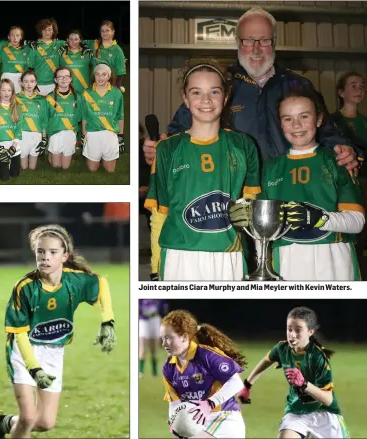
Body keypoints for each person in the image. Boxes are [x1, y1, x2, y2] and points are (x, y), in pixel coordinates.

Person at [142, 7, 358, 171]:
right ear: (238, 42)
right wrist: (160, 147)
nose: (256, 49)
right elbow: (180, 130)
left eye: (263, 40)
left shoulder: (298, 84)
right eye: (248, 40)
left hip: (293, 187)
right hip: (238, 192)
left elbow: (326, 131)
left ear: (274, 42)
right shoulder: (220, 85)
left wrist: (344, 149)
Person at [0, 224, 116, 439]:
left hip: (55, 352)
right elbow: (19, 333)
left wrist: (107, 322)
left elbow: (101, 283)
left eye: (52, 252)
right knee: (29, 418)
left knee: (45, 423)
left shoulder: (74, 280)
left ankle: (5, 423)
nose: (45, 258)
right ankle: (16, 422)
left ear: (64, 256)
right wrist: (34, 368)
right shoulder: (25, 287)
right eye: (40, 252)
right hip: (23, 352)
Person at [231, 88, 364, 280]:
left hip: (335, 259)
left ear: (318, 119)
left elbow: (357, 222)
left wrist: (321, 219)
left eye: (304, 116)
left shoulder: (339, 161)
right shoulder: (269, 169)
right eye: (287, 119)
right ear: (280, 124)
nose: (296, 125)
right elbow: (263, 231)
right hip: (286, 259)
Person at [145, 62, 260, 281]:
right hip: (179, 256)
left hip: (229, 254)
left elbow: (252, 204)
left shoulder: (243, 145)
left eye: (214, 92)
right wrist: (154, 268)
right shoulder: (167, 149)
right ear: (185, 99)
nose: (206, 100)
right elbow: (160, 215)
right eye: (196, 92)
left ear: (225, 98)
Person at [239, 307, 350, 438]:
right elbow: (266, 360)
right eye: (289, 329)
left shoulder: (317, 357)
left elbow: (327, 399)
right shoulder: (282, 348)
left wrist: (304, 384)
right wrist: (247, 384)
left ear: (310, 331)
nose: (292, 334)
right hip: (296, 412)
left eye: (298, 330)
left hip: (324, 414)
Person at [160, 310, 247, 439]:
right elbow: (175, 402)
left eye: (168, 338)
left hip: (224, 418)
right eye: (162, 338)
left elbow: (236, 383)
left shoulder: (207, 355)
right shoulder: (169, 367)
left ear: (184, 336)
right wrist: (174, 420)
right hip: (195, 420)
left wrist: (209, 404)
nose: (164, 344)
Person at [332, 72, 367, 276]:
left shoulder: (364, 121)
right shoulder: (332, 122)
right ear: (341, 92)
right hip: (347, 186)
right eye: (353, 85)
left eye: (362, 86)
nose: (359, 90)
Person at [80, 63, 124, 173]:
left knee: (110, 171)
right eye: (97, 74)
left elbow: (120, 116)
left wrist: (121, 137)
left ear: (109, 76)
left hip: (110, 133)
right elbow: (84, 116)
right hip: (93, 132)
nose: (100, 78)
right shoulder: (86, 93)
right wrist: (84, 135)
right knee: (92, 170)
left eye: (104, 74)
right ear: (94, 75)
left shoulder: (116, 93)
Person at [0, 78, 22, 181]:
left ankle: (10, 159)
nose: (6, 93)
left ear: (13, 92)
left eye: (9, 90)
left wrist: (13, 148)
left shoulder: (17, 108)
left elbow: (19, 129)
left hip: (13, 144)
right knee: (4, 177)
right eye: (3, 90)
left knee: (15, 174)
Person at [46, 67, 80, 170]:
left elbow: (79, 118)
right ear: (55, 80)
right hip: (55, 133)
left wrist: (76, 135)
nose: (63, 79)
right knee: (56, 166)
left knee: (65, 167)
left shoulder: (78, 97)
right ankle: (50, 153)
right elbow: (46, 118)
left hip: (70, 133)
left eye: (66, 76)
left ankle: (69, 153)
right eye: (60, 77)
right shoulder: (49, 98)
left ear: (70, 79)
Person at [16, 70, 47, 170]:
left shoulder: (41, 99)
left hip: (36, 134)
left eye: (32, 81)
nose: (29, 84)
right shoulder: (16, 98)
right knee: (24, 168)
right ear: (21, 83)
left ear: (36, 83)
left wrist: (44, 137)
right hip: (22, 134)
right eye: (26, 81)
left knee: (32, 168)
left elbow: (44, 119)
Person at [27, 18, 65, 96]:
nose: (47, 32)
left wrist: (83, 45)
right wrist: (32, 84)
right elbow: (30, 68)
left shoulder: (59, 44)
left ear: (54, 30)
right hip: (39, 84)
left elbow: (75, 42)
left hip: (55, 83)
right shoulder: (34, 46)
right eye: (44, 30)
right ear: (40, 31)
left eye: (49, 29)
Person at [85, 21, 126, 91]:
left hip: (109, 87)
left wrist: (117, 89)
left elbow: (120, 73)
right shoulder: (94, 44)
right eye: (102, 31)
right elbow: (77, 42)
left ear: (113, 32)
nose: (104, 33)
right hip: (93, 86)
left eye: (107, 30)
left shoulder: (117, 50)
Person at [59, 30, 94, 94]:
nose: (74, 42)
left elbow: (94, 67)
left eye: (76, 39)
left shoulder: (87, 53)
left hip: (84, 89)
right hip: (67, 89)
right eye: (71, 39)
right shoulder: (61, 53)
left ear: (80, 40)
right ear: (67, 40)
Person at [0, 26, 31, 94]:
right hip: (7, 76)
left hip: (21, 77)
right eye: (12, 35)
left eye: (17, 35)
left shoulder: (27, 49)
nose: (15, 38)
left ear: (21, 37)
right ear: (8, 37)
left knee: (20, 101)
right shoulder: (3, 48)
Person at [139, 299, 164, 378]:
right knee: (142, 347)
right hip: (143, 320)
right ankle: (140, 371)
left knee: (154, 349)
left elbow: (162, 309)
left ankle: (155, 372)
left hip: (154, 320)